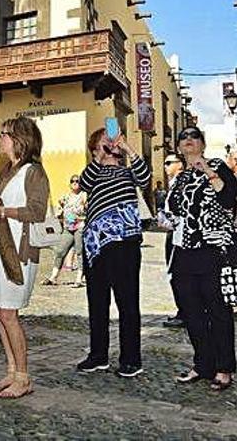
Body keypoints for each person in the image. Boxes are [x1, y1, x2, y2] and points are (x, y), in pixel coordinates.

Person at [0, 117, 49, 399]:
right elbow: (0, 207)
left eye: (4, 134)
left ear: (20, 139)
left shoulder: (33, 171)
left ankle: (23, 377)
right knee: (0, 313)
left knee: (8, 314)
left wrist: (0, 211)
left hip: (18, 250)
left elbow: (37, 211)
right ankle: (11, 371)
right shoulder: (6, 170)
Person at [167, 126, 237, 391]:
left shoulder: (218, 165)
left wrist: (207, 171)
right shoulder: (180, 176)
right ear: (178, 147)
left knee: (218, 311)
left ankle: (224, 367)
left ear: (203, 143)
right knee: (191, 311)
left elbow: (229, 197)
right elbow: (175, 209)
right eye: (183, 137)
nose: (188, 140)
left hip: (212, 251)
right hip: (184, 251)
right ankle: (202, 364)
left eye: (194, 136)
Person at [75, 128, 151, 378]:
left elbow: (145, 178)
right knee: (97, 304)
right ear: (95, 148)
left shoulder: (128, 173)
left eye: (112, 141)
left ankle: (131, 359)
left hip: (124, 243)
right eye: (104, 142)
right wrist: (100, 156)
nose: (111, 144)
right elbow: (84, 184)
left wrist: (127, 148)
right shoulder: (93, 172)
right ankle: (98, 355)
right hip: (95, 246)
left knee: (127, 303)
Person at [42, 175, 87, 287]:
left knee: (80, 252)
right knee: (60, 251)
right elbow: (60, 211)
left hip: (80, 226)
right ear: (70, 183)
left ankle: (79, 279)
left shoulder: (84, 195)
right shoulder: (66, 197)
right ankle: (53, 277)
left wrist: (83, 208)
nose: (75, 183)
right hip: (68, 227)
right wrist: (60, 210)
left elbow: (87, 210)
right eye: (73, 181)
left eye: (77, 181)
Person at [158, 153, 185, 328]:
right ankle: (182, 311)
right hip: (173, 233)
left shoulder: (181, 184)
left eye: (169, 163)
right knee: (174, 275)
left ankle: (184, 312)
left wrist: (167, 220)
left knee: (177, 275)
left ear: (179, 165)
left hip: (178, 235)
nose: (165, 166)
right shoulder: (174, 183)